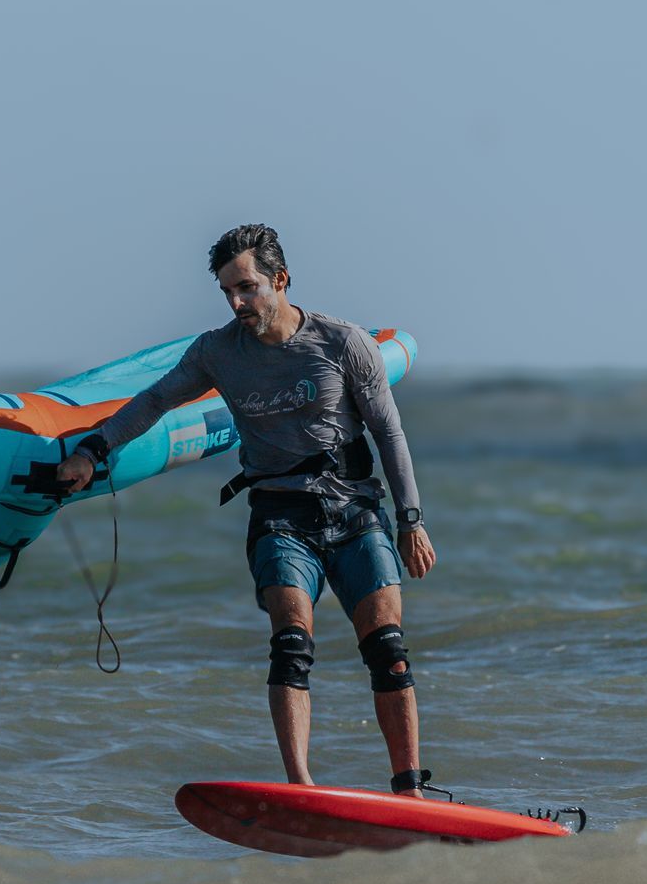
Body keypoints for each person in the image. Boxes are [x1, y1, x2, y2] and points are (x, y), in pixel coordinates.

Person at [54, 224, 440, 796]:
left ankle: (408, 788)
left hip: (355, 511)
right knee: (291, 641)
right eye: (228, 292)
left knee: (387, 648)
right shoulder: (217, 353)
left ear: (280, 280)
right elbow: (155, 400)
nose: (237, 303)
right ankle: (300, 788)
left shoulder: (342, 342)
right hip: (281, 516)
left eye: (247, 288)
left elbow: (389, 431)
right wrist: (92, 450)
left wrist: (410, 520)